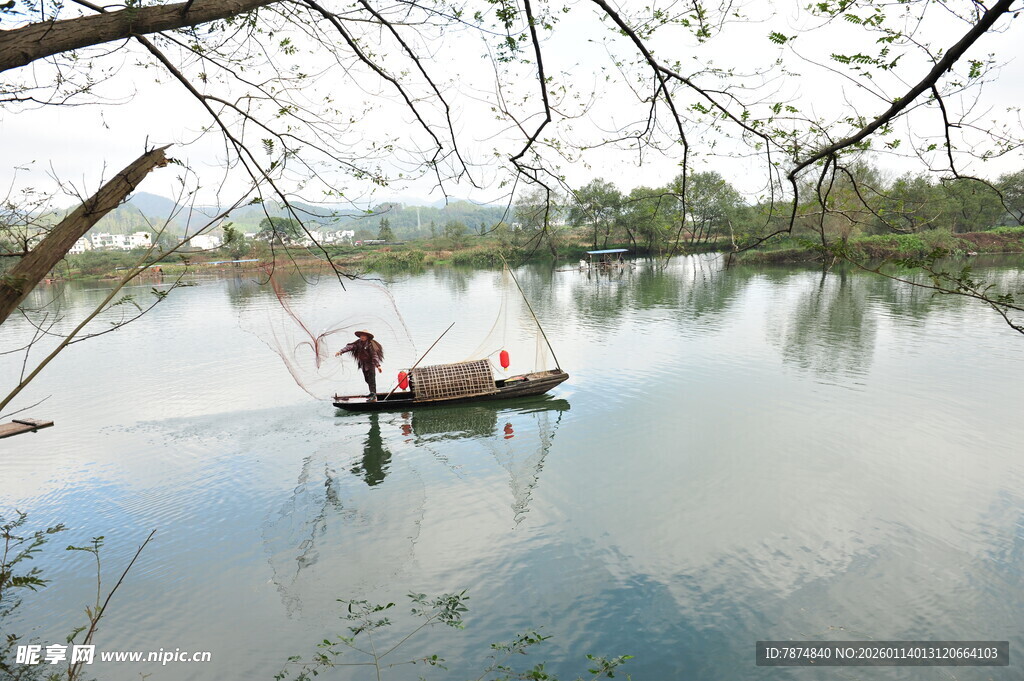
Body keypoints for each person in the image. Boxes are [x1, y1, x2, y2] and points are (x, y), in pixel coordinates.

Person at [336, 330, 384, 400]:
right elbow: (350, 347)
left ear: (367, 337)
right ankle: (372, 393)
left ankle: (373, 395)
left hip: (371, 364)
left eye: (364, 336)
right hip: (363, 364)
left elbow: (374, 355)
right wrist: (341, 351)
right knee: (367, 380)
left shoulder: (370, 344)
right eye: (361, 335)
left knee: (372, 380)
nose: (362, 337)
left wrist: (378, 365)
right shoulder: (358, 343)